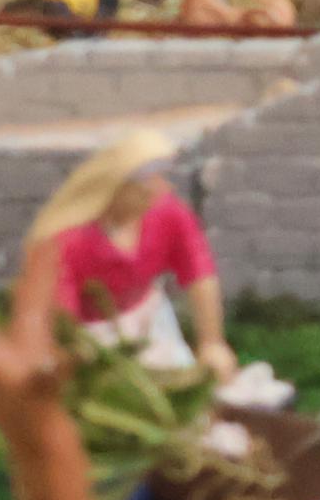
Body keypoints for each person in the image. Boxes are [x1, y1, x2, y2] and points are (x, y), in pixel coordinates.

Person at [16, 130, 235, 386]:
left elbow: (199, 270)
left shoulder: (167, 213)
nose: (159, 189)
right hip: (93, 339)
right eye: (146, 184)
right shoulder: (68, 243)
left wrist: (212, 341)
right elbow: (63, 321)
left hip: (150, 321)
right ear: (115, 189)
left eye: (160, 178)